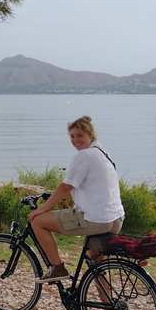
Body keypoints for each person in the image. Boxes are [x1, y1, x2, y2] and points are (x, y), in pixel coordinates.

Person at [28, 116, 124, 287]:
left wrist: (42, 208)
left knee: (38, 221)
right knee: (96, 263)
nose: (75, 140)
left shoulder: (84, 156)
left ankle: (57, 268)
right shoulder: (102, 152)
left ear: (90, 134)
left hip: (94, 219)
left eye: (79, 135)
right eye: (72, 136)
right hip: (115, 219)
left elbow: (65, 187)